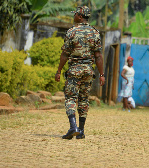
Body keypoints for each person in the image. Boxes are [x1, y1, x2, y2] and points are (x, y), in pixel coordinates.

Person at [55, 6, 105, 140]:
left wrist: (59, 70)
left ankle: (73, 127)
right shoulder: (95, 32)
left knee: (71, 98)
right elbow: (98, 56)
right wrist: (101, 74)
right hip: (88, 71)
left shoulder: (72, 31)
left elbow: (65, 54)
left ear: (80, 16)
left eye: (75, 14)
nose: (74, 16)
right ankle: (81, 131)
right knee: (83, 99)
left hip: (75, 70)